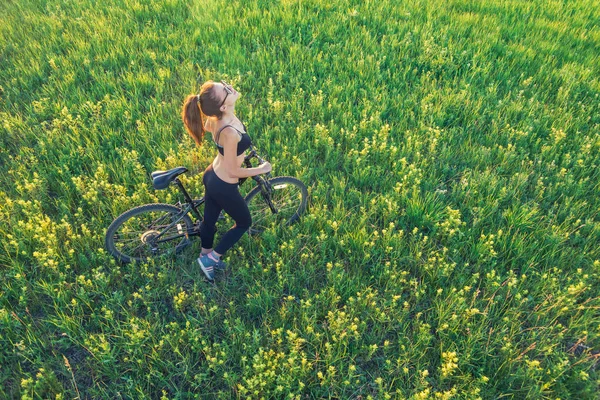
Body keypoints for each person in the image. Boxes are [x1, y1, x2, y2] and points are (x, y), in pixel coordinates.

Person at [181, 80, 272, 281]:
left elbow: (207, 125)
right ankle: (211, 259)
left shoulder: (215, 118)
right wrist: (261, 169)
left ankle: (205, 252)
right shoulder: (229, 132)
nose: (230, 86)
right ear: (223, 106)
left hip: (212, 174)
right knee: (244, 222)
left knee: (210, 220)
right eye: (225, 89)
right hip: (223, 184)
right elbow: (233, 171)